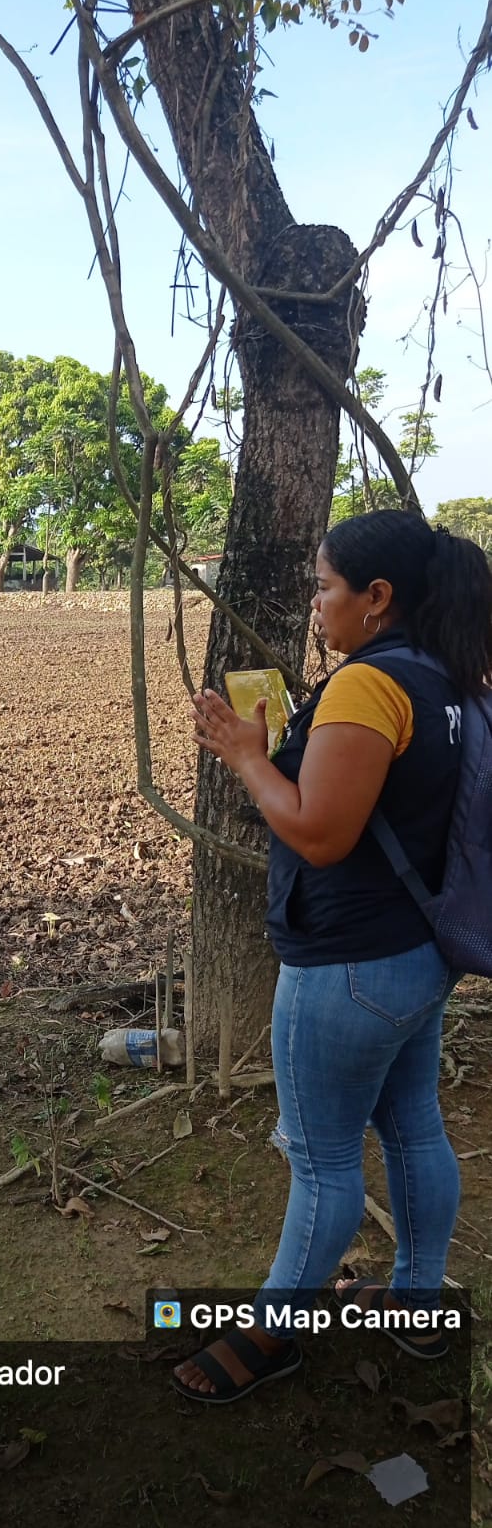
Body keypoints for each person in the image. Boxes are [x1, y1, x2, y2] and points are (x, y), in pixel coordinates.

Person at [175, 509, 492, 1403]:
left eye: (325, 588)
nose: (317, 606)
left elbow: (319, 833)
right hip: (420, 956)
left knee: (322, 1162)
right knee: (415, 1127)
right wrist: (284, 747)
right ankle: (418, 1305)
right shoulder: (451, 676)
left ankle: (270, 1338)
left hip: (348, 967)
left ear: (377, 596)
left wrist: (246, 756)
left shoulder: (368, 685)